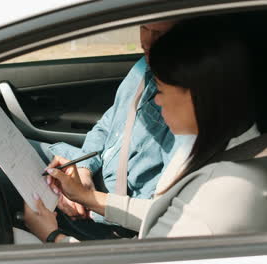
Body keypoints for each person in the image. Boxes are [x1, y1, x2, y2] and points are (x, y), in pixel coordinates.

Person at [24, 17, 267, 242]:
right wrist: (85, 195)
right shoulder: (201, 143)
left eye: (161, 90)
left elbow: (145, 251)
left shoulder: (220, 192)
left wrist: (52, 237)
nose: (157, 101)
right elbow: (162, 209)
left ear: (195, 96)